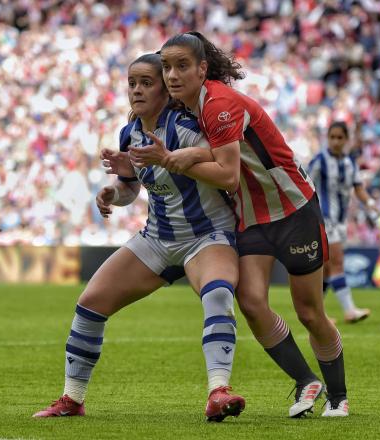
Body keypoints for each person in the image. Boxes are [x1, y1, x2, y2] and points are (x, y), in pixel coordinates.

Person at [130, 32, 349, 417]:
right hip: (250, 217)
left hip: (294, 210)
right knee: (249, 302)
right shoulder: (187, 108)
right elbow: (208, 150)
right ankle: (305, 382)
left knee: (310, 312)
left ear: (202, 68)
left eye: (182, 66)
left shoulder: (219, 104)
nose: (172, 75)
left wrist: (172, 159)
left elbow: (228, 175)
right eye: (166, 67)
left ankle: (339, 396)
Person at [33, 53, 246, 422]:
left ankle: (218, 391)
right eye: (132, 83)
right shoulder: (130, 133)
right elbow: (132, 188)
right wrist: (113, 194)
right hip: (157, 238)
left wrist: (178, 157)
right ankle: (72, 399)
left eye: (147, 82)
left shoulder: (184, 125)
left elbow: (224, 162)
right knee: (90, 304)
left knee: (218, 293)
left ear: (165, 88)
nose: (137, 90)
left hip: (206, 235)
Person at [307, 121, 377, 323]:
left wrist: (370, 203)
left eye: (340, 137)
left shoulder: (350, 163)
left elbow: (358, 187)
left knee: (328, 270)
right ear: (327, 138)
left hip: (340, 221)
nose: (336, 141)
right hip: (324, 218)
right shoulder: (320, 160)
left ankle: (316, 314)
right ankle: (350, 310)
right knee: (337, 262)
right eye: (332, 137)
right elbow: (304, 184)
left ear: (346, 140)